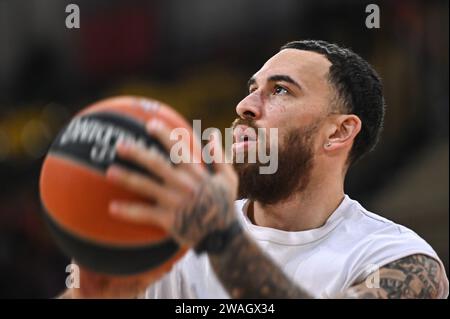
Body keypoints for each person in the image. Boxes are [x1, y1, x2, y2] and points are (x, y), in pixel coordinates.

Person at [63, 40, 449, 299]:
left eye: (280, 90)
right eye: (252, 87)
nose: (245, 105)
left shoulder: (397, 259)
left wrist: (221, 241)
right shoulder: (173, 239)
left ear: (338, 132)